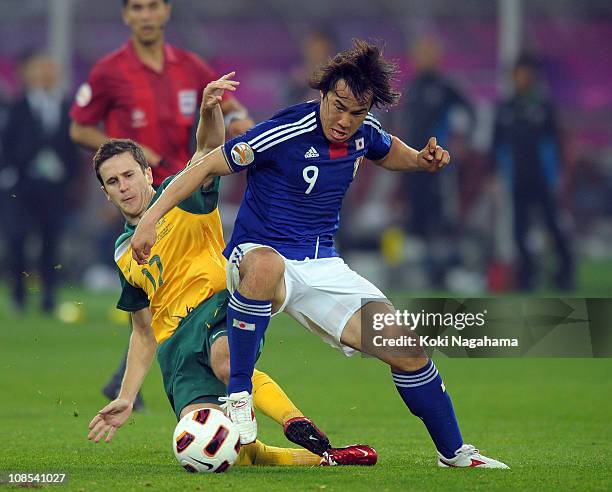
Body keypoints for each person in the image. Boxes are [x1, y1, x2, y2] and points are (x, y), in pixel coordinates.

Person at [130, 40, 508, 468]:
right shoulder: (286, 129)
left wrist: (422, 160)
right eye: (339, 106)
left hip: (324, 266)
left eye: (357, 113)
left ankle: (454, 453)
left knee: (408, 348)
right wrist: (151, 218)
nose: (345, 121)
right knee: (267, 263)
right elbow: (205, 166)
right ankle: (239, 395)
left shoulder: (363, 133)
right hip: (256, 256)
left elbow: (388, 150)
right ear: (324, 94)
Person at [86, 74, 376, 468]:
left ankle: (298, 424)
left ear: (147, 174)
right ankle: (322, 461)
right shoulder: (122, 252)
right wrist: (125, 395)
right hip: (176, 351)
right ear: (105, 192)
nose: (123, 186)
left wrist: (209, 111)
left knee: (226, 361)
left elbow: (207, 150)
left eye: (129, 175)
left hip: (218, 309)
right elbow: (143, 329)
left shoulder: (182, 197)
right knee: (213, 448)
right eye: (113, 182)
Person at [69, 0, 253, 405]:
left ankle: (206, 380)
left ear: (166, 11)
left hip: (185, 195)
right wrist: (121, 164)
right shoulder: (108, 71)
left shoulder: (191, 66)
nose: (146, 14)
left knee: (186, 290)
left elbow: (227, 110)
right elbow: (79, 127)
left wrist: (245, 126)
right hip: (138, 195)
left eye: (153, 6)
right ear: (126, 16)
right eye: (137, 7)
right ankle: (146, 385)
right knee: (151, 290)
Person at [2, 50, 78, 313]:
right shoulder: (17, 106)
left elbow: (73, 147)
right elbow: (7, 145)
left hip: (54, 189)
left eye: (50, 69)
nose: (46, 75)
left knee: (51, 242)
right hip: (22, 186)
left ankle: (48, 298)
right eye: (40, 69)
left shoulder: (67, 106)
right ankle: (19, 296)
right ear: (28, 74)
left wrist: (68, 176)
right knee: (18, 239)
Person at [493, 54, 574, 291]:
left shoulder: (544, 107)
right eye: (518, 73)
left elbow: (556, 143)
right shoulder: (505, 108)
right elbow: (496, 145)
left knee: (554, 227)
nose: (522, 78)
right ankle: (527, 277)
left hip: (543, 180)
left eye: (526, 73)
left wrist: (559, 174)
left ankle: (565, 274)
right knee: (520, 231)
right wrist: (496, 177)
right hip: (517, 180)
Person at [399, 37, 475, 288]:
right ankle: (421, 277)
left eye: (428, 53)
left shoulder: (444, 87)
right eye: (420, 54)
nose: (424, 59)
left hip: (438, 166)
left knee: (442, 216)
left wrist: (461, 142)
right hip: (411, 164)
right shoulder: (412, 88)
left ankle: (450, 273)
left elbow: (470, 113)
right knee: (416, 216)